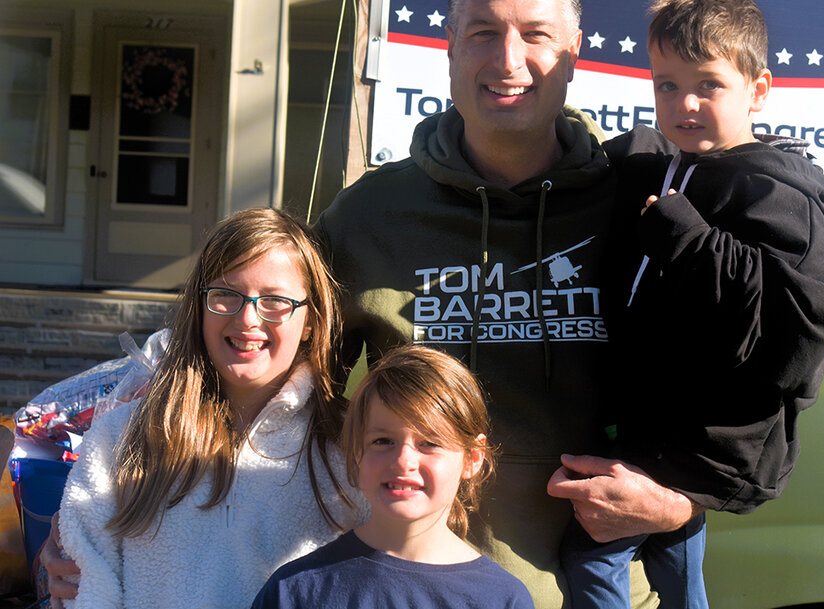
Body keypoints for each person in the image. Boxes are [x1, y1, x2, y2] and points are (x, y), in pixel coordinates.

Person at [315, 0, 700, 606]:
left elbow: (741, 373)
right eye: (484, 33)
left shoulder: (649, 204)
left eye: (536, 36)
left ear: (574, 53)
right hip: (418, 592)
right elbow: (293, 399)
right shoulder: (367, 215)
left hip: (610, 593)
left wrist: (682, 500)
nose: (508, 60)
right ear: (449, 48)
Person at [557, 0, 824, 607]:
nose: (684, 104)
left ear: (758, 90)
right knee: (672, 550)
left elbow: (800, 331)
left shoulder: (776, 191)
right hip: (655, 424)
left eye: (708, 84)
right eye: (667, 85)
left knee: (591, 552)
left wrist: (689, 240)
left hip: (708, 436)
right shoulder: (674, 169)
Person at [50, 208, 367, 609]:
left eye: (274, 301)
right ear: (200, 307)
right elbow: (89, 582)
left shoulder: (351, 447)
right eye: (226, 296)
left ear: (309, 320)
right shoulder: (120, 438)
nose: (247, 318)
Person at [251, 344, 534, 609]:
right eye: (383, 441)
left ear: (472, 459)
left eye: (430, 443)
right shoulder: (294, 590)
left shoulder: (502, 598)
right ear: (356, 450)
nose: (403, 461)